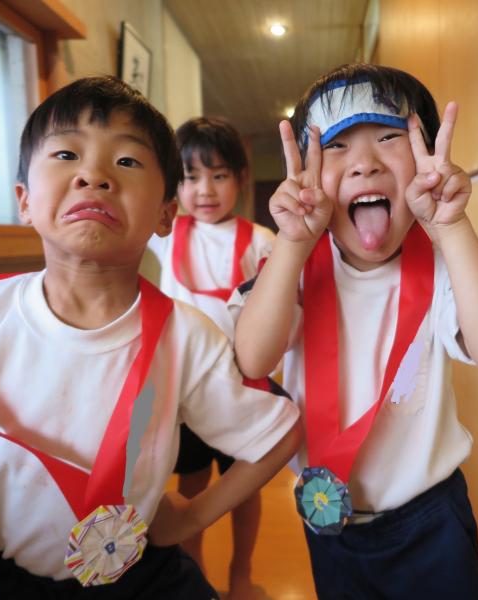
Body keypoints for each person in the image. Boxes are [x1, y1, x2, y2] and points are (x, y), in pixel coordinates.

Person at [0, 76, 301, 600]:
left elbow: (278, 433)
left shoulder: (188, 337)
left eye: (126, 162)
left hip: (137, 571)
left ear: (167, 212)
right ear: (24, 200)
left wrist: (192, 517)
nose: (93, 176)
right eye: (67, 154)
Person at [231, 63, 478, 599]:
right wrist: (295, 244)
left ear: (425, 158)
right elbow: (253, 359)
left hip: (430, 519)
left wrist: (452, 227)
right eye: (337, 146)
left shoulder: (445, 269)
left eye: (390, 137)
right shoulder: (292, 269)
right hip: (329, 518)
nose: (364, 164)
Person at [145, 116, 273, 599]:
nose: (205, 189)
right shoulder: (165, 232)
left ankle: (241, 573)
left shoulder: (262, 241)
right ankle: (193, 568)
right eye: (191, 176)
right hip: (181, 390)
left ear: (241, 179)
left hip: (241, 387)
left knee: (244, 485)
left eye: (219, 175)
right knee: (191, 485)